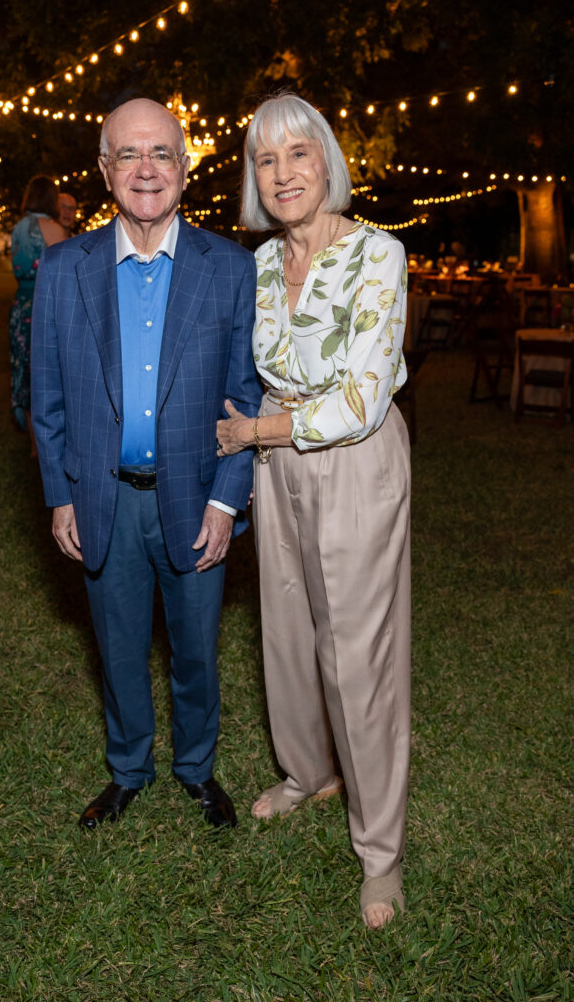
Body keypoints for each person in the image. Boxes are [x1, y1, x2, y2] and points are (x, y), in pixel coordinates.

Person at [31, 98, 260, 831]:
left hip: (196, 500)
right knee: (119, 647)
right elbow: (47, 398)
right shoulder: (65, 268)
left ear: (185, 169)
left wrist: (226, 502)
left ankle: (196, 770)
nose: (145, 169)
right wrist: (61, 496)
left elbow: (245, 393)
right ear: (104, 171)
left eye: (160, 152)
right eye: (127, 155)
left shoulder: (227, 268)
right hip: (103, 497)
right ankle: (128, 771)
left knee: (195, 649)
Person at [216, 93, 411, 928]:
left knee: (356, 654)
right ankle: (306, 771)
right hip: (277, 464)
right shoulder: (256, 263)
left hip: (350, 462)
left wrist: (256, 429)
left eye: (299, 153)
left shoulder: (377, 254)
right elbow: (258, 365)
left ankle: (379, 851)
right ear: (253, 179)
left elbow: (362, 399)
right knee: (288, 627)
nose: (283, 172)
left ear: (327, 162)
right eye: (266, 159)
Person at [8, 176, 65, 453]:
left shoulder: (18, 228)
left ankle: (33, 442)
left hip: (20, 305)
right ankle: (44, 445)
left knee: (25, 374)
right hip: (44, 305)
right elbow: (65, 276)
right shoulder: (52, 228)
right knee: (47, 375)